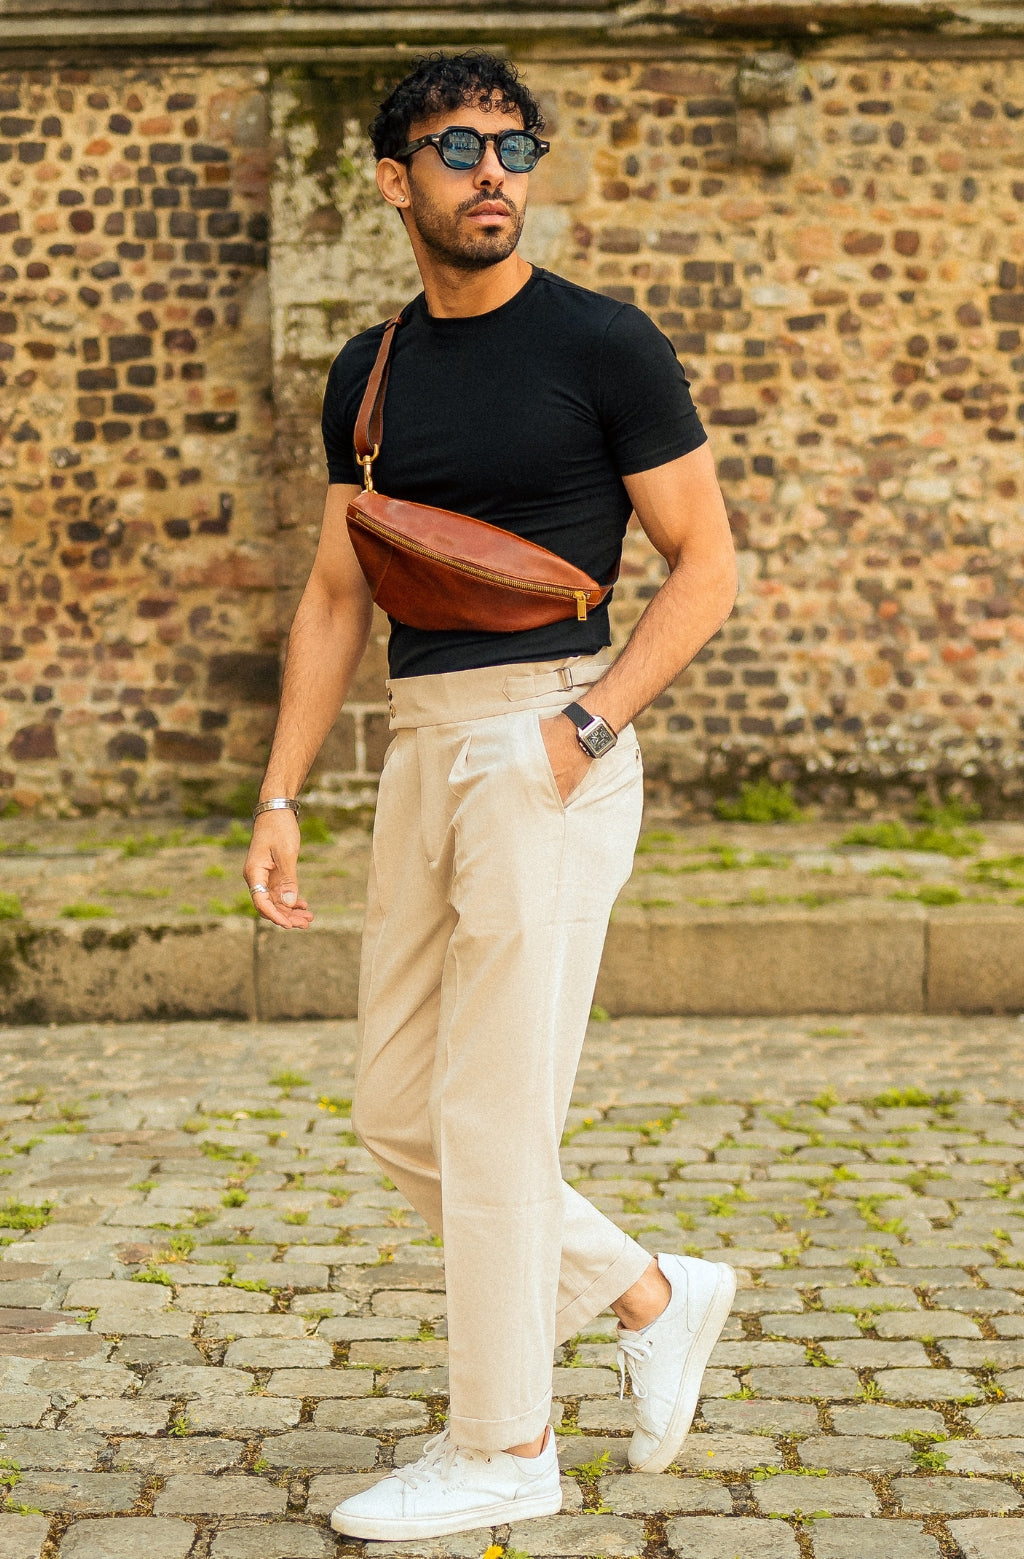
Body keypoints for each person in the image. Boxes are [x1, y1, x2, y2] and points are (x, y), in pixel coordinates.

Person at [243, 49, 739, 1543]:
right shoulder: (370, 369)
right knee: (400, 1107)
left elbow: (705, 565)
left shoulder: (605, 345)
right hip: (421, 746)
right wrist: (280, 796)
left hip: (550, 737)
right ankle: (649, 1294)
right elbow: (339, 592)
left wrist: (585, 727)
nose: (492, 175)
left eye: (514, 148)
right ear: (393, 180)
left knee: (493, 1111)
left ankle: (507, 1445)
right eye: (458, 149)